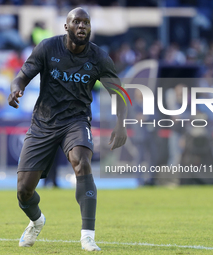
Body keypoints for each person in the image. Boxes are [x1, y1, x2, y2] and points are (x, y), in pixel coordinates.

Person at [7, 7, 127, 251]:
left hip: (77, 120)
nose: (82, 26)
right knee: (23, 191)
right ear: (66, 26)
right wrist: (15, 89)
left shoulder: (99, 58)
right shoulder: (47, 48)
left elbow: (119, 93)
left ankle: (88, 236)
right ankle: (37, 221)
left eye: (86, 23)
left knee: (82, 162)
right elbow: (21, 76)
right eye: (77, 22)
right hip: (43, 122)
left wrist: (121, 124)